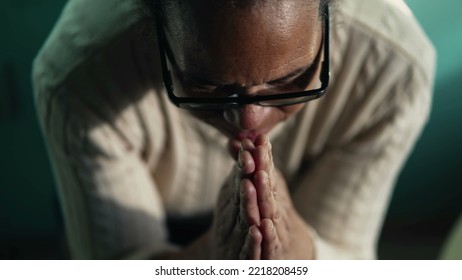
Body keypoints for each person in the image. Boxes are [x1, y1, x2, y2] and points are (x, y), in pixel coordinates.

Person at [32, 0, 435, 259]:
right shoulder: (75, 77)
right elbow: (114, 259)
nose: (249, 121)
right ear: (154, 31)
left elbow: (348, 254)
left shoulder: (394, 73)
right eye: (205, 84)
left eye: (290, 80)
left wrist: (302, 252)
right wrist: (207, 257)